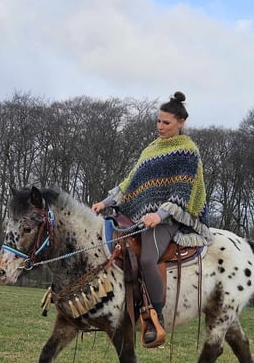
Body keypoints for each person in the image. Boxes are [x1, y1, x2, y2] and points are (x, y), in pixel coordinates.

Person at [91, 91, 213, 346]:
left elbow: (183, 191)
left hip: (171, 219)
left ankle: (154, 317)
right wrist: (106, 202)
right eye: (158, 121)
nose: (160, 127)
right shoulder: (151, 149)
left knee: (148, 258)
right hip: (142, 216)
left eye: (166, 123)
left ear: (180, 123)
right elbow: (130, 182)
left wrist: (159, 215)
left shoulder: (188, 151)